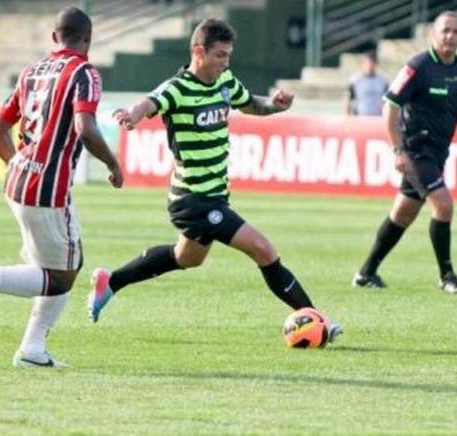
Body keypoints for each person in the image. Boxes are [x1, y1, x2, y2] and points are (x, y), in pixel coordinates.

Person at [86, 18, 342, 343]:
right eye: (220, 55)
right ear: (199, 52)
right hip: (193, 199)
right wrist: (132, 115)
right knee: (263, 249)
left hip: (215, 195)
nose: (226, 62)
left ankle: (111, 281)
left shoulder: (225, 83)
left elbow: (252, 105)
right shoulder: (177, 88)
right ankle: (319, 320)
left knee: (186, 258)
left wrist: (274, 107)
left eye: (228, 56)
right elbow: (149, 102)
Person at [0, 6, 124, 367]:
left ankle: (33, 349)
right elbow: (84, 127)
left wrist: (21, 164)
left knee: (56, 263)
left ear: (54, 38)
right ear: (89, 39)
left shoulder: (31, 71)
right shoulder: (84, 72)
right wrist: (112, 164)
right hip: (48, 190)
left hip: (19, 181)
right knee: (62, 277)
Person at [353, 10, 457, 293]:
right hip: (416, 151)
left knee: (403, 214)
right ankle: (447, 277)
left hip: (438, 154)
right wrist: (398, 150)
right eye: (445, 30)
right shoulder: (418, 66)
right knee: (443, 204)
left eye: (456, 32)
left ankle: (365, 273)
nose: (450, 36)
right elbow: (390, 106)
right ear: (433, 34)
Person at [343, 50, 389, 116]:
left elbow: (387, 102)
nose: (369, 65)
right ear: (363, 63)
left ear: (376, 64)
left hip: (377, 119)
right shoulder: (355, 80)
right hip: (360, 118)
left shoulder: (383, 80)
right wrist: (347, 117)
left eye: (372, 63)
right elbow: (347, 99)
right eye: (367, 63)